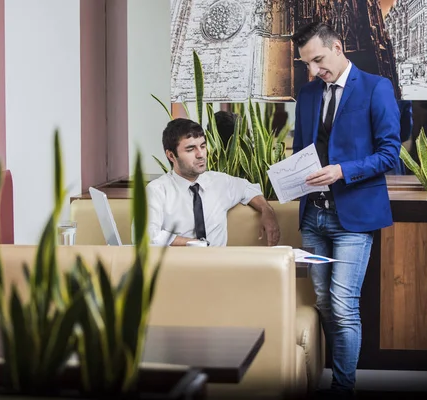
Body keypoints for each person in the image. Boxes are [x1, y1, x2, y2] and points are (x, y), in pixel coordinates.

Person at [291, 22, 401, 395]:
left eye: (318, 60)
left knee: (342, 303)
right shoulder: (307, 94)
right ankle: (331, 373)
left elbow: (390, 154)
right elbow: (301, 151)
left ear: (338, 48)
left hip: (353, 217)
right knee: (323, 300)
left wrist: (343, 171)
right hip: (312, 216)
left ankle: (343, 386)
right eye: (307, 64)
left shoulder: (376, 88)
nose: (314, 71)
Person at [146, 118, 280, 247]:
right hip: (178, 266)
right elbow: (147, 235)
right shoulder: (157, 190)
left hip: (220, 266)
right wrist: (193, 243)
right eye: (190, 149)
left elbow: (248, 189)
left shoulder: (219, 183)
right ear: (171, 155)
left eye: (203, 146)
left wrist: (267, 211)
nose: (200, 154)